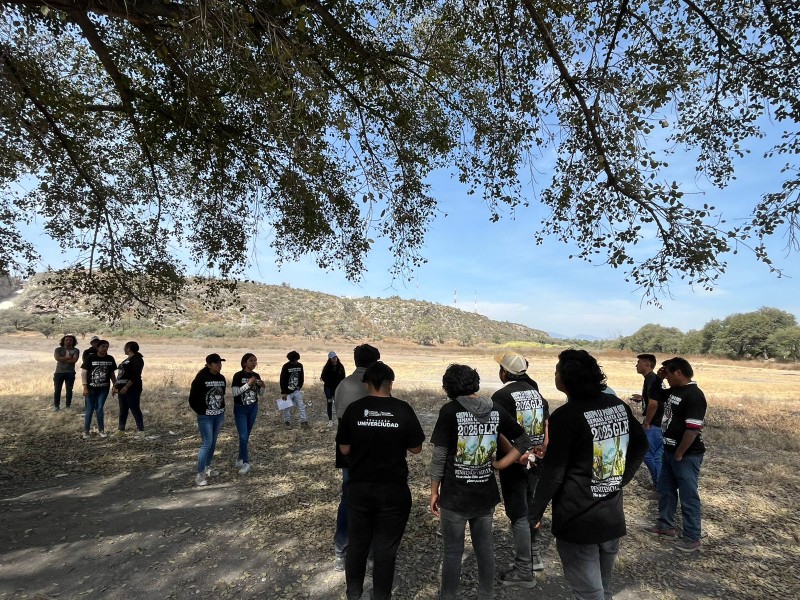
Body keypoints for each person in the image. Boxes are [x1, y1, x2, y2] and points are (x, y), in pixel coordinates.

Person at [530, 349, 648, 600]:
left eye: (557, 371)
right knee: (602, 589)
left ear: (566, 379)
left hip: (578, 519)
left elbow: (553, 473)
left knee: (588, 593)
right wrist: (620, 478)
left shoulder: (566, 417)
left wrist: (535, 512)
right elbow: (641, 444)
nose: (555, 375)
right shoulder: (617, 406)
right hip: (611, 516)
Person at [430, 364, 532, 600]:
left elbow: (439, 456)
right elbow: (523, 440)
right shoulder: (494, 408)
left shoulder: (450, 411)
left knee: (453, 553)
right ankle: (487, 594)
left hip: (455, 495)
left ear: (450, 386)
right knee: (485, 550)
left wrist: (434, 491)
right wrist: (501, 463)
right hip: (485, 494)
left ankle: (448, 596)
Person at [336, 362, 425, 600]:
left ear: (367, 383)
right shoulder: (403, 409)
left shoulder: (355, 409)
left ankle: (353, 594)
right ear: (390, 383)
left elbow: (344, 449)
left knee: (357, 546)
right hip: (393, 490)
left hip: (359, 488)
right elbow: (416, 448)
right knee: (386, 551)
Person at [491, 352, 550, 586]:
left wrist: (516, 456)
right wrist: (543, 447)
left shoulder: (502, 396)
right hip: (537, 460)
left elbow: (500, 430)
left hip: (516, 462)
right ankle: (535, 556)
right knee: (532, 507)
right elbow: (546, 423)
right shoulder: (537, 393)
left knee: (518, 513)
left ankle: (524, 569)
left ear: (505, 372)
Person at [645, 357, 707, 552]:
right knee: (666, 489)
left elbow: (693, 429)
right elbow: (654, 394)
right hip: (670, 451)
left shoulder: (694, 395)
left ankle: (692, 537)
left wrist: (680, 453)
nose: (668, 378)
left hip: (686, 455)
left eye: (669, 374)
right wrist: (659, 378)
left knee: (688, 495)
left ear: (678, 372)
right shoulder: (675, 390)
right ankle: (665, 525)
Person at [332, 343, 381, 571]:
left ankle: (341, 549)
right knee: (372, 500)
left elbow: (341, 423)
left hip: (347, 451)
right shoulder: (375, 385)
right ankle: (370, 553)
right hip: (372, 453)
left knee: (348, 497)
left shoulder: (343, 384)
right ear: (375, 362)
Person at [189, 353, 227, 486]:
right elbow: (192, 398)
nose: (219, 365)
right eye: (216, 363)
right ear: (209, 365)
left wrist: (221, 409)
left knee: (213, 442)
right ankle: (199, 474)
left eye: (220, 363)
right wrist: (201, 411)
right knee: (207, 443)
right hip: (206, 416)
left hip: (219, 415)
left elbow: (222, 395)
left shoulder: (222, 378)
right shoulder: (201, 378)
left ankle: (207, 468)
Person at [629, 353, 663, 492]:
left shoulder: (651, 379)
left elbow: (654, 404)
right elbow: (654, 398)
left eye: (639, 362)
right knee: (655, 456)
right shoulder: (652, 379)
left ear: (647, 364)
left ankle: (660, 488)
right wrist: (642, 398)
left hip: (655, 424)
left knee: (649, 456)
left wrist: (647, 422)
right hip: (658, 424)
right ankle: (659, 486)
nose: (636, 365)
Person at [231, 353, 265, 475]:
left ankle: (240, 458)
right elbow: (235, 393)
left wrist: (263, 387)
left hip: (253, 407)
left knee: (246, 435)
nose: (254, 363)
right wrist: (248, 384)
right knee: (243, 436)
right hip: (241, 408)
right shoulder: (238, 375)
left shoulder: (256, 375)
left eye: (255, 360)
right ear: (244, 363)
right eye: (251, 360)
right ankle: (246, 463)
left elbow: (260, 394)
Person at [80, 340, 117, 439]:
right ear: (98, 347)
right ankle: (86, 431)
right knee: (90, 409)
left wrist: (115, 385)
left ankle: (101, 430)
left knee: (99, 408)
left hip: (104, 388)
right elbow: (84, 372)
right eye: (103, 347)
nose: (105, 349)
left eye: (107, 347)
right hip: (91, 388)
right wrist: (85, 387)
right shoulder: (90, 357)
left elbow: (112, 374)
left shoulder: (110, 358)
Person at [112, 341, 145, 436]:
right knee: (123, 409)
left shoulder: (137, 359)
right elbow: (121, 375)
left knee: (134, 408)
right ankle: (121, 430)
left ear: (129, 348)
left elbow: (135, 375)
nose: (124, 349)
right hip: (121, 388)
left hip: (133, 388)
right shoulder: (127, 359)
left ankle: (141, 430)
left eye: (125, 347)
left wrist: (127, 386)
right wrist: (115, 386)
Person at [279, 350, 308, 429]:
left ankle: (304, 422)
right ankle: (287, 422)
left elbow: (301, 377)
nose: (295, 362)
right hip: (287, 392)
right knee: (286, 407)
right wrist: (284, 392)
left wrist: (299, 386)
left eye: (296, 360)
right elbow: (282, 379)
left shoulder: (300, 366)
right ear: (290, 360)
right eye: (293, 361)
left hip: (296, 390)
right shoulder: (286, 366)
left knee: (301, 405)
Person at [53, 334, 79, 411]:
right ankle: (56, 406)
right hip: (59, 372)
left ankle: (68, 406)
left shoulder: (76, 350)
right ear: (63, 341)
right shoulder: (58, 349)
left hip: (70, 372)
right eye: (67, 340)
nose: (69, 342)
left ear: (73, 342)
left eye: (70, 340)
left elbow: (74, 360)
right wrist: (67, 358)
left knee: (69, 390)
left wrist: (62, 359)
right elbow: (57, 358)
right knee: (57, 390)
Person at [321, 351, 346, 428]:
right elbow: (323, 377)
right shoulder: (326, 367)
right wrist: (329, 382)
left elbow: (343, 377)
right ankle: (330, 420)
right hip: (328, 388)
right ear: (329, 359)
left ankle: (339, 420)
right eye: (332, 358)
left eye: (335, 357)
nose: (334, 359)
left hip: (337, 388)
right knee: (329, 402)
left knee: (338, 404)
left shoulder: (341, 367)